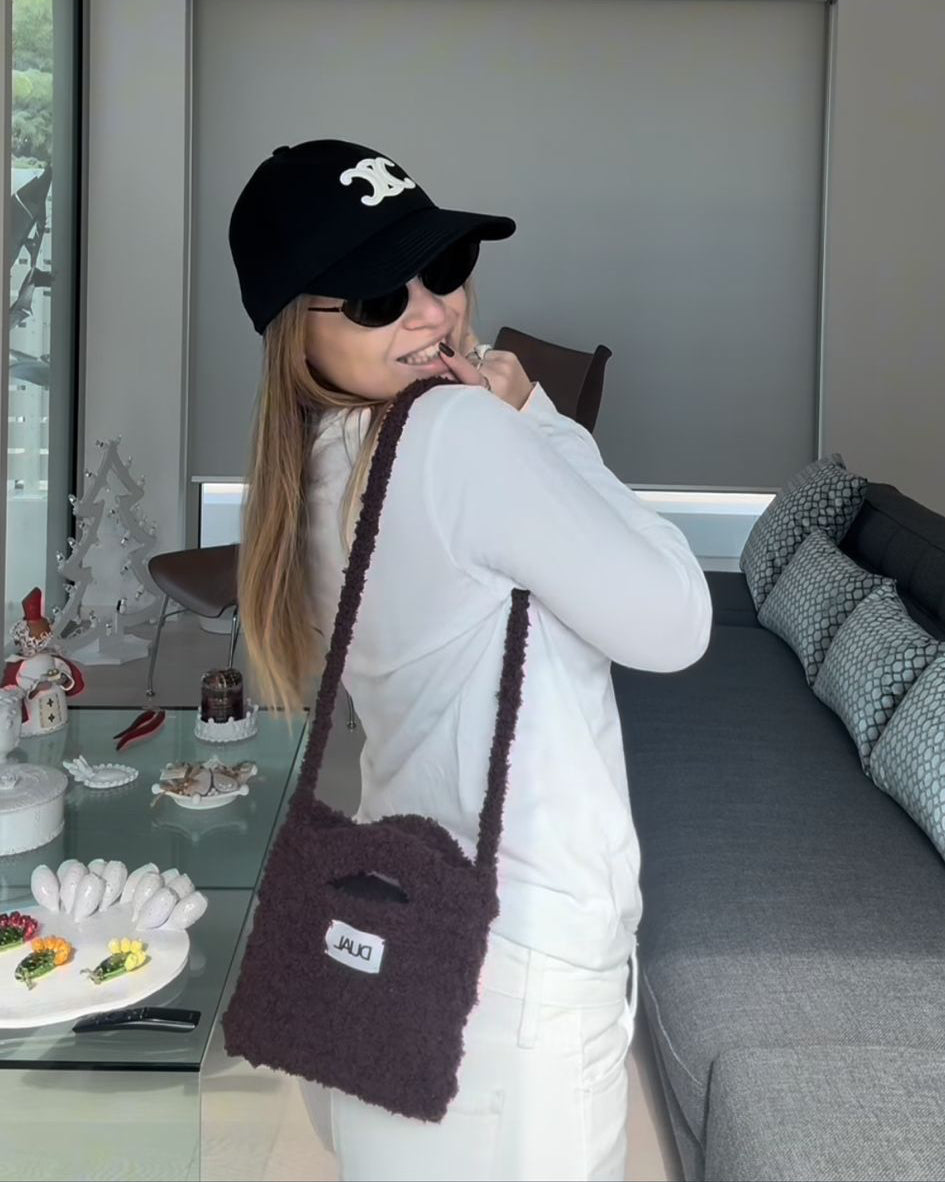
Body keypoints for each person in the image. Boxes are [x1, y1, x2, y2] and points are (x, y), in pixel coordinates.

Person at [228, 139, 712, 1182]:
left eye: (440, 268)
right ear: (293, 330)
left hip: (400, 931)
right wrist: (540, 421)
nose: (431, 313)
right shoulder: (454, 436)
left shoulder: (316, 467)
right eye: (374, 297)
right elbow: (677, 621)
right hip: (517, 964)